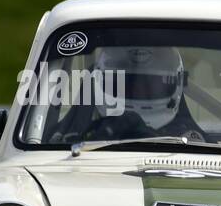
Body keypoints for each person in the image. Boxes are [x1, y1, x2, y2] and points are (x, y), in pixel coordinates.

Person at [64, 46, 208, 143]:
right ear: (98, 80)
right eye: (125, 84)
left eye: (151, 86)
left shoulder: (195, 143)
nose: (140, 90)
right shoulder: (73, 141)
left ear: (176, 83)